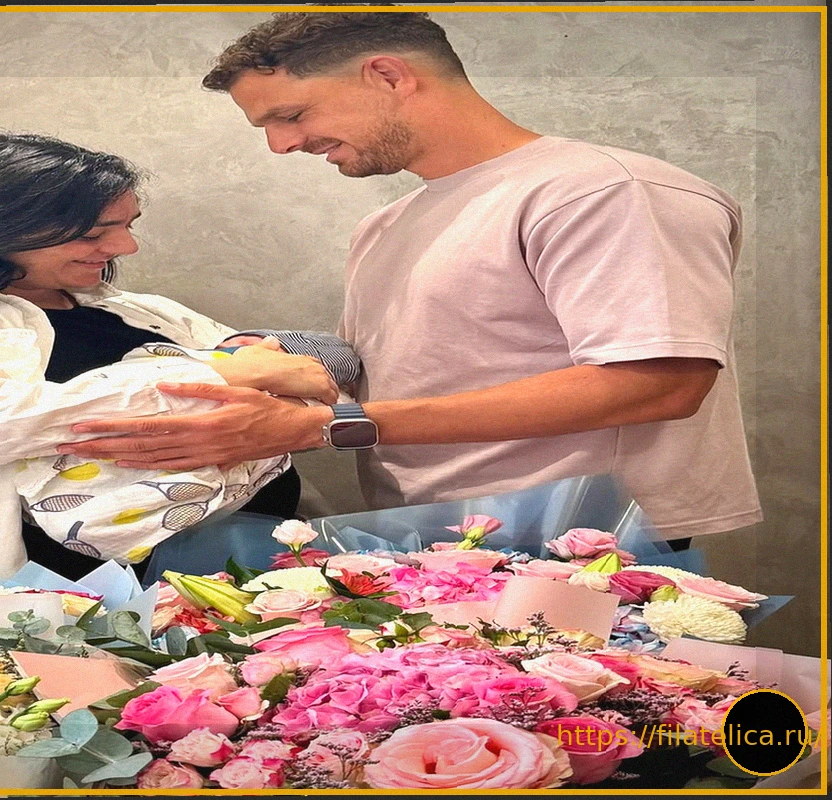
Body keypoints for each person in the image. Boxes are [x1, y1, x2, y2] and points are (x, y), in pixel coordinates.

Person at [62, 12, 762, 549]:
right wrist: (256, 360)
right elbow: (400, 368)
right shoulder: (388, 223)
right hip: (429, 534)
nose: (282, 145)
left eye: (291, 115)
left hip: (588, 538)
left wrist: (324, 428)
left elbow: (659, 383)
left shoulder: (602, 192)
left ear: (388, 76)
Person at [0, 130, 356, 585]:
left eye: (127, 226)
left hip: (250, 563)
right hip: (38, 591)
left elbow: (314, 387)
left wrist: (272, 379)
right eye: (95, 233)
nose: (125, 247)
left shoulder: (141, 312)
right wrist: (214, 373)